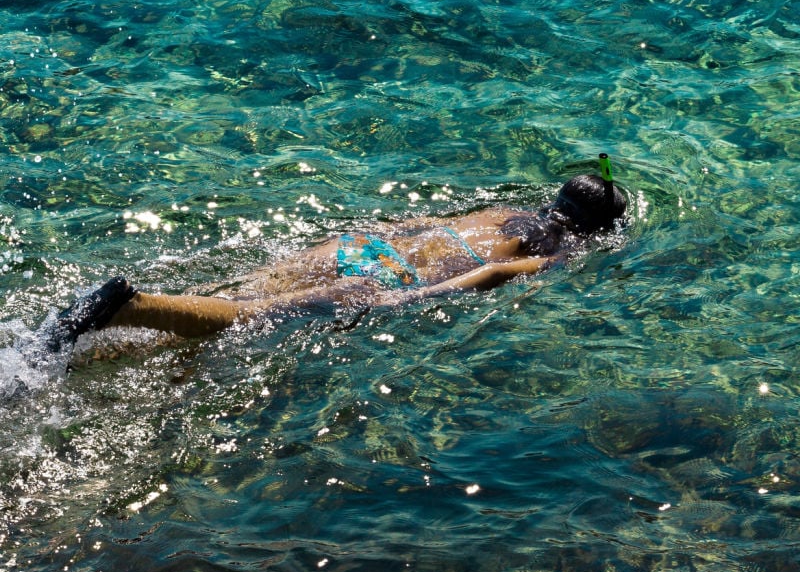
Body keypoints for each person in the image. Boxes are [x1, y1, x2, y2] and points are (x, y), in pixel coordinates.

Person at [45, 169, 627, 353]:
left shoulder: (503, 211)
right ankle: (127, 308)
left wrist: (363, 236)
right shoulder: (556, 251)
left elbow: (420, 226)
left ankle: (101, 330)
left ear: (557, 198)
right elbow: (495, 273)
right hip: (389, 275)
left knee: (243, 287)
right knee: (253, 314)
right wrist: (408, 299)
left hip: (367, 247)